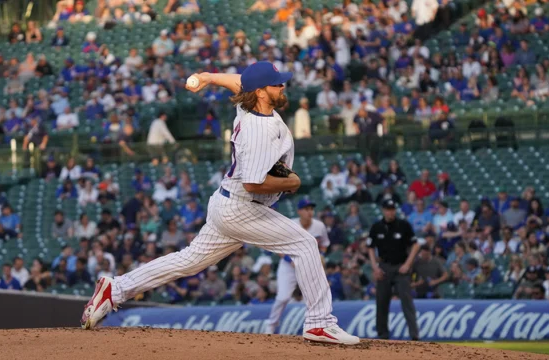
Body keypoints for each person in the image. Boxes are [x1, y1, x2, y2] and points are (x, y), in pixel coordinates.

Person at [81, 61, 360, 345]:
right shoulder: (259, 131)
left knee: (188, 261)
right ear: (262, 92)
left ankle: (115, 289)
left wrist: (208, 77)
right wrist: (292, 183)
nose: (282, 86)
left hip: (227, 204)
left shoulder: (249, 104)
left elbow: (241, 82)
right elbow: (253, 182)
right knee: (305, 244)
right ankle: (320, 323)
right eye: (276, 83)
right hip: (243, 206)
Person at [265, 199, 330, 334]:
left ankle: (315, 327)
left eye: (311, 209)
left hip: (308, 266)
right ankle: (271, 325)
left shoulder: (319, 226)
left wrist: (321, 255)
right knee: (283, 297)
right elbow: (277, 247)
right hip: (289, 266)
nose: (309, 212)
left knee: (313, 298)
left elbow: (324, 243)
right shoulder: (291, 225)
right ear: (299, 211)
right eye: (306, 209)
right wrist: (291, 260)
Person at [367, 199, 420, 341]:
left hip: (400, 267)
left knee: (407, 301)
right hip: (384, 268)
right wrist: (374, 267)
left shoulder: (403, 225)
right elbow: (370, 247)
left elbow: (415, 245)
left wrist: (408, 264)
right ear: (383, 210)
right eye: (388, 209)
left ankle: (414, 335)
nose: (390, 212)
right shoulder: (377, 227)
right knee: (381, 302)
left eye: (392, 209)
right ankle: (382, 335)